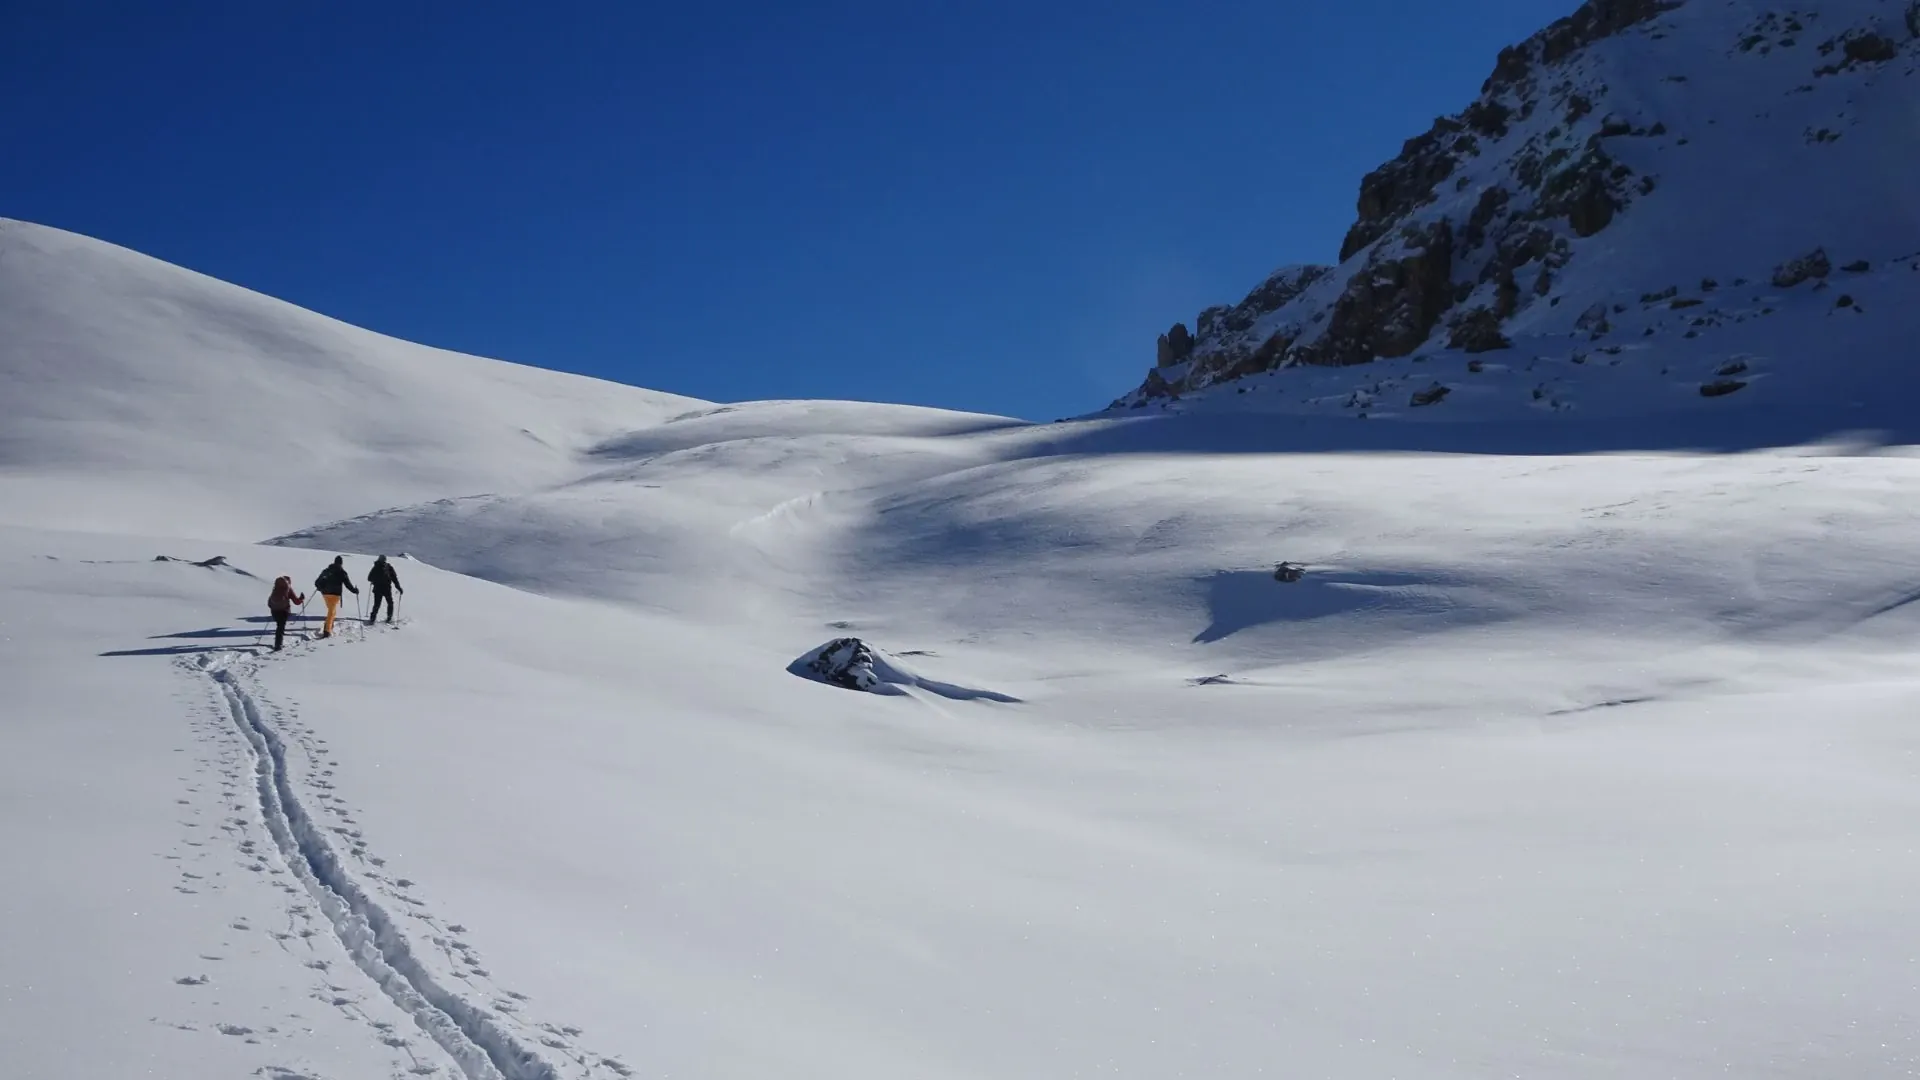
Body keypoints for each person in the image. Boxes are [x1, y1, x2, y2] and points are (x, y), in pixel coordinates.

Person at [313, 556, 358, 638]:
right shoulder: (342, 572)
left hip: (325, 594)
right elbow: (348, 585)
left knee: (331, 610)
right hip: (335, 594)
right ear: (341, 563)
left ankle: (329, 624)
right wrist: (355, 591)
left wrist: (320, 587)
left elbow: (317, 582)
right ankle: (327, 630)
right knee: (331, 611)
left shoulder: (326, 570)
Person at [266, 575, 306, 652]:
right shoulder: (288, 589)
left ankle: (279, 642)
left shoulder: (275, 588)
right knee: (280, 628)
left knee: (279, 626)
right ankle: (278, 645)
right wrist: (301, 598)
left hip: (274, 611)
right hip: (283, 611)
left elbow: (269, 602)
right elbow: (296, 602)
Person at [367, 555, 403, 624]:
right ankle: (389, 618)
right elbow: (394, 578)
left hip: (377, 588)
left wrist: (375, 580)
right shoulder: (388, 567)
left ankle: (372, 618)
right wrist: (398, 588)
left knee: (377, 604)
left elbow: (369, 578)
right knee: (390, 603)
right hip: (387, 588)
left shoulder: (376, 567)